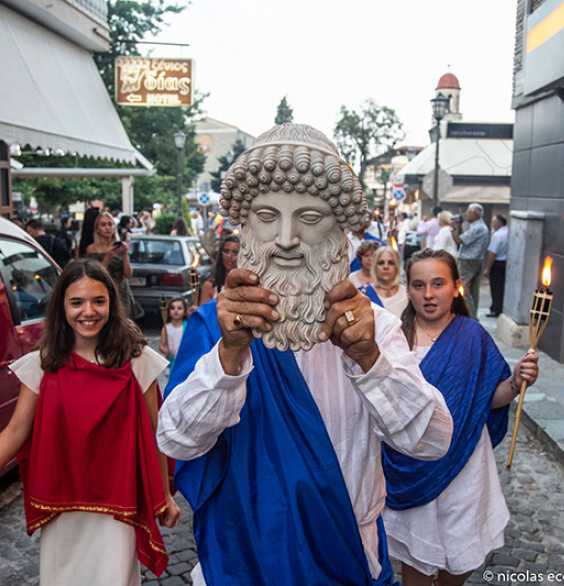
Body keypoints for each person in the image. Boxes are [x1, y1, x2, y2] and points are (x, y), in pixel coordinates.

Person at [158, 123, 453, 586]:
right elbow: (175, 440)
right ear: (246, 226)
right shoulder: (216, 327)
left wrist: (370, 362)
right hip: (242, 560)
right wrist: (230, 356)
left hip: (346, 556)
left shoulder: (375, 328)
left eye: (309, 217)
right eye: (267, 216)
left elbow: (432, 442)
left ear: (339, 230)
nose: (286, 238)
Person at [0, 259, 180, 585]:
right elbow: (16, 430)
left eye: (99, 301)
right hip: (63, 505)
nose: (88, 311)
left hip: (120, 504)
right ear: (62, 306)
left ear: (112, 303)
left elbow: (155, 434)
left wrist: (164, 494)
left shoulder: (138, 360)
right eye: (77, 302)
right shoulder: (42, 364)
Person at [382, 249, 539, 586]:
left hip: (465, 461)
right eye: (419, 285)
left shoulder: (473, 336)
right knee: (417, 558)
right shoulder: (395, 337)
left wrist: (515, 382)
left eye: (438, 284)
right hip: (411, 461)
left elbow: (490, 398)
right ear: (408, 290)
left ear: (456, 287)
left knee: (461, 556)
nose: (428, 294)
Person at [85, 212, 136, 322]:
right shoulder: (91, 249)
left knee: (122, 324)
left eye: (110, 224)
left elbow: (128, 274)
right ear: (97, 229)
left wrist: (125, 254)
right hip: (101, 290)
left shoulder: (119, 246)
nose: (107, 228)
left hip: (120, 291)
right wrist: (108, 258)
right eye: (103, 225)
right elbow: (93, 274)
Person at [450, 203, 489, 318]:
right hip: (477, 259)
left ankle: (470, 316)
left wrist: (452, 228)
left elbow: (459, 240)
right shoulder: (479, 226)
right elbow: (465, 238)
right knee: (473, 291)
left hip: (468, 260)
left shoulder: (477, 228)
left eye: (468, 212)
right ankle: (472, 315)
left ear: (474, 213)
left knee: (464, 290)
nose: (466, 214)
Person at [198, 234, 240, 306]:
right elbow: (203, 312)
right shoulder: (210, 286)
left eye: (235, 253)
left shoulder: (245, 288)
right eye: (226, 251)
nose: (229, 256)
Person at [370, 246, 409, 318]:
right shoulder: (364, 293)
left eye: (391, 263)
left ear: (397, 266)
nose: (386, 267)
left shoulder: (407, 294)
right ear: (375, 266)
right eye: (381, 263)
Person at [484, 214, 508, 317]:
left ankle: (496, 309)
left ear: (499, 223)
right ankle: (499, 306)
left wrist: (488, 268)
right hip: (506, 263)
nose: (493, 225)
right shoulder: (509, 232)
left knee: (496, 287)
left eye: (494, 222)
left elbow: (493, 253)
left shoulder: (497, 235)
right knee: (502, 287)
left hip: (498, 263)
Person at [159, 297, 187, 373]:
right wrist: (165, 351)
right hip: (172, 361)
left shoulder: (187, 326)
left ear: (185, 312)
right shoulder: (166, 328)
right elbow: (161, 345)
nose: (176, 310)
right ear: (168, 312)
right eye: (172, 308)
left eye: (179, 308)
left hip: (184, 360)